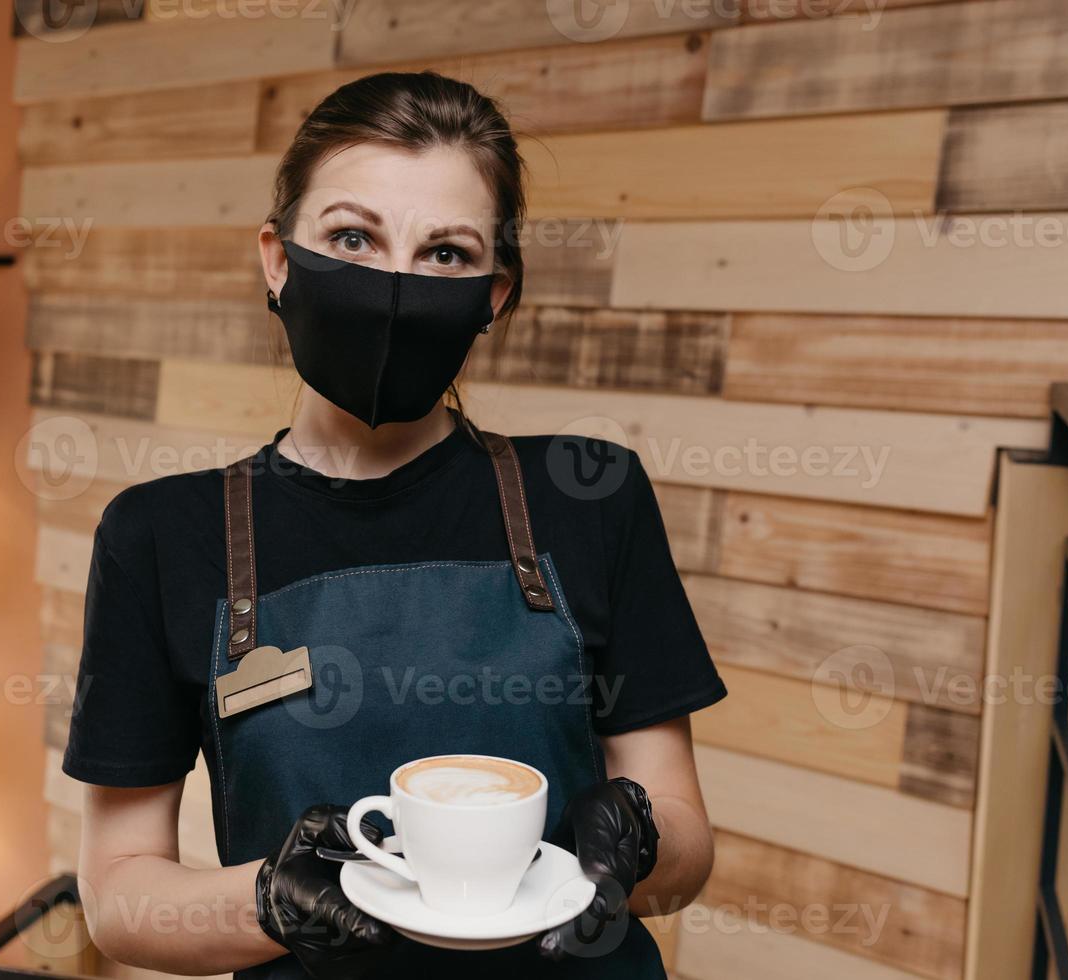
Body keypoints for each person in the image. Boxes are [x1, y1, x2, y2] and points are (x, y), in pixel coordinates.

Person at [64, 70, 728, 979]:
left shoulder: (593, 497)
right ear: (277, 258)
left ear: (493, 295)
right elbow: (117, 898)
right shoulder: (160, 536)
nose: (392, 286)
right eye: (351, 236)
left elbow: (685, 850)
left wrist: (637, 850)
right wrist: (275, 899)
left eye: (446, 254)